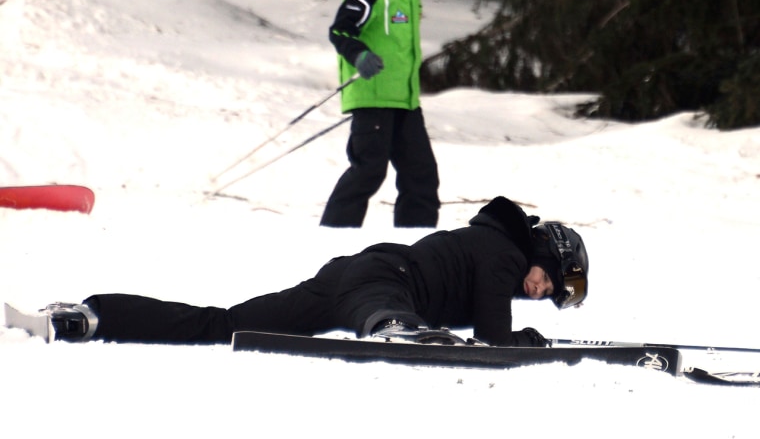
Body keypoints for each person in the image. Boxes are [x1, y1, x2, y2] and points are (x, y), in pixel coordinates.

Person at [39, 197, 589, 347]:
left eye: (547, 296)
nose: (539, 290)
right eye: (550, 278)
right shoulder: (505, 251)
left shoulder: (499, 257)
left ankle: (93, 315)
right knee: (386, 315)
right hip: (383, 282)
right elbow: (494, 335)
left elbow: (492, 320)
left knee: (223, 325)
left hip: (343, 283)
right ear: (545, 249)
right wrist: (527, 341)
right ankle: (392, 328)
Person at [320, 0, 440, 228]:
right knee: (368, 171)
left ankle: (414, 248)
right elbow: (341, 30)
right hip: (373, 95)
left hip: (404, 99)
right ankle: (331, 241)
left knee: (422, 178)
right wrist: (359, 55)